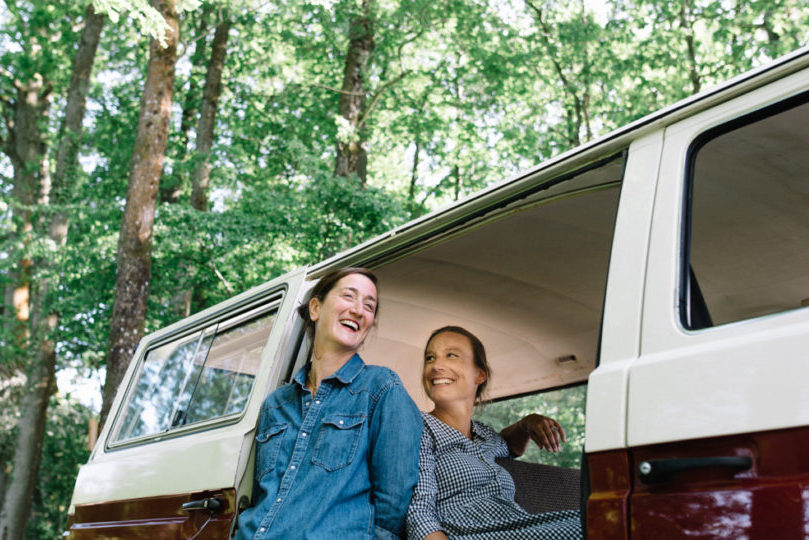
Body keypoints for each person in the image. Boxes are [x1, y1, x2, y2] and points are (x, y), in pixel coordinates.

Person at [237, 268, 423, 539]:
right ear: (315, 308)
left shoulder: (381, 388)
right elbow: (261, 496)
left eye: (369, 306)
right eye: (349, 296)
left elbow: (393, 503)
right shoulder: (276, 405)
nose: (359, 310)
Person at [406, 326, 582, 540]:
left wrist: (526, 424)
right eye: (430, 358)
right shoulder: (418, 429)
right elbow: (419, 514)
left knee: (598, 519)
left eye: (451, 355)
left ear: (480, 375)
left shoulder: (483, 435)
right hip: (474, 535)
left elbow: (510, 447)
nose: (436, 366)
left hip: (518, 526)